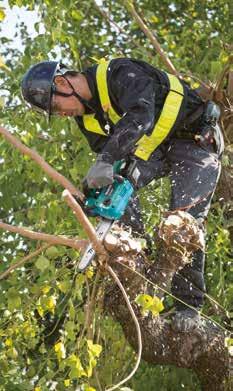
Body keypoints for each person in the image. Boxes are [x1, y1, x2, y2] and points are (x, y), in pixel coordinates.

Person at [21, 58, 224, 332]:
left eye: (56, 106)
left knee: (186, 217)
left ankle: (188, 306)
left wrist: (107, 158)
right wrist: (94, 191)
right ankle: (137, 254)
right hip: (154, 151)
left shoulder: (117, 73)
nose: (62, 114)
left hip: (194, 137)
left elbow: (142, 114)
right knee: (116, 187)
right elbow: (109, 161)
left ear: (62, 82)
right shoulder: (87, 119)